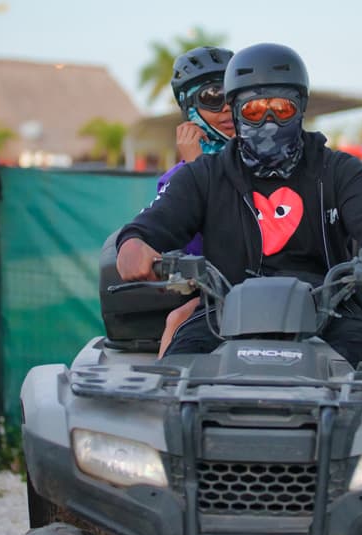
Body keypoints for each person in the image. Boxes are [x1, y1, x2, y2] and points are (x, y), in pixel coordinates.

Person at [116, 43, 362, 372]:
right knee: (172, 380)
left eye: (281, 108)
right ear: (235, 110)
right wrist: (134, 243)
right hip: (225, 307)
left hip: (331, 306)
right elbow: (158, 220)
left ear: (301, 108)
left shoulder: (337, 169)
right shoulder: (204, 175)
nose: (268, 120)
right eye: (254, 110)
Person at [155, 46, 235, 358]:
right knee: (177, 321)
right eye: (212, 97)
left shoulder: (270, 164)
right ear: (190, 110)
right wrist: (196, 168)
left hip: (284, 287)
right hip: (216, 294)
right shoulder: (176, 178)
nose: (227, 108)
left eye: (234, 95)